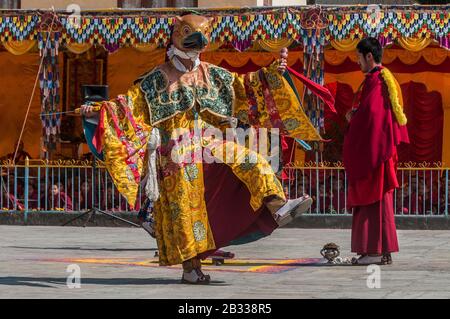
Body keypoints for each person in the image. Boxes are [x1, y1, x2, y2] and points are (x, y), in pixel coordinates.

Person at [80, 14, 330, 284]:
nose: (195, 46)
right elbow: (125, 108)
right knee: (187, 208)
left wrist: (271, 72)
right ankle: (191, 266)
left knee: (251, 158)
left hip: (209, 141)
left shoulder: (213, 74)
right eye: (189, 37)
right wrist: (95, 110)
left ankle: (277, 204)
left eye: (200, 40)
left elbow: (246, 86)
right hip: (174, 151)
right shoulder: (155, 80)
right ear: (176, 36)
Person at [344, 37, 409, 265]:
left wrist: (353, 119)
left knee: (372, 200)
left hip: (374, 153)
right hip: (379, 151)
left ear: (369, 56)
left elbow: (372, 117)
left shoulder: (378, 80)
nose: (357, 62)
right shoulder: (381, 78)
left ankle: (373, 251)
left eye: (359, 57)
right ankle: (381, 251)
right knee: (379, 202)